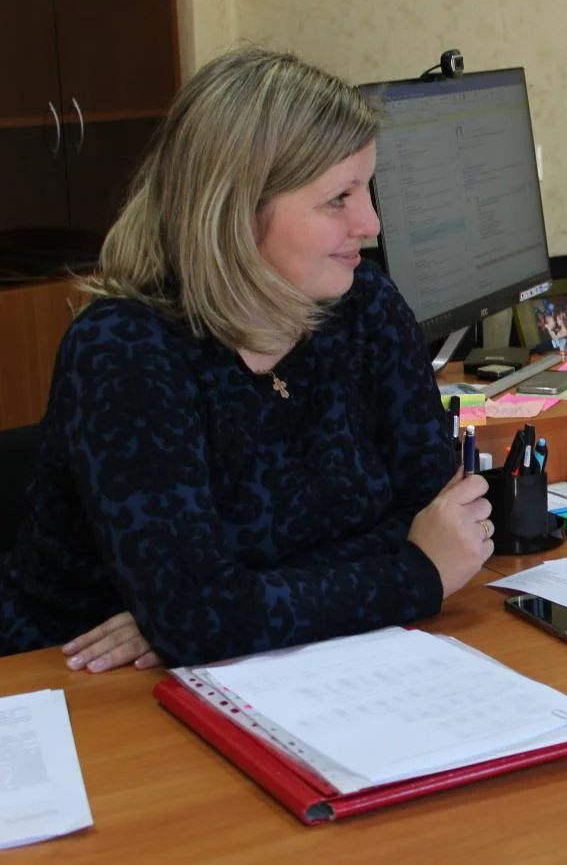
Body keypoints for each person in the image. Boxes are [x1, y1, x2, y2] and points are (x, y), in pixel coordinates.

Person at [0, 47, 496, 670]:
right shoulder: (124, 351)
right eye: (338, 198)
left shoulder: (365, 306)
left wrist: (236, 605)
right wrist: (415, 571)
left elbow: (440, 515)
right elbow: (203, 618)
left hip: (282, 664)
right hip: (78, 679)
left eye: (367, 189)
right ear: (236, 211)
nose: (371, 224)